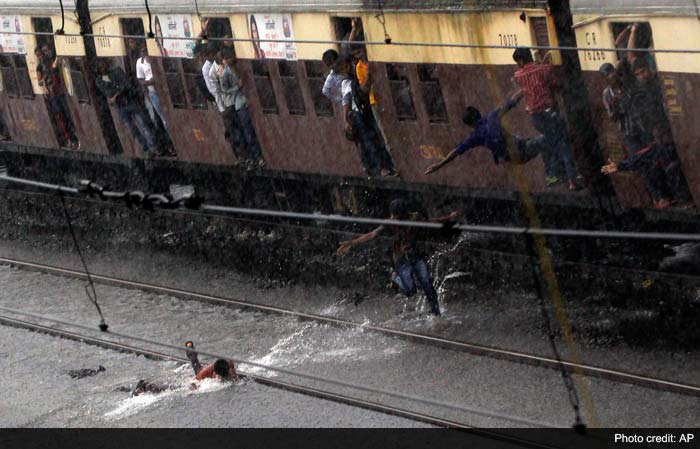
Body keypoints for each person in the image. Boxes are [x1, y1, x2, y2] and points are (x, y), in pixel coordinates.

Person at [336, 199, 460, 316]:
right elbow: (372, 234)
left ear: (404, 214)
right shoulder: (390, 223)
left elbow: (431, 222)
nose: (394, 218)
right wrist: (351, 243)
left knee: (428, 286)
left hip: (415, 255)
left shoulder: (414, 218)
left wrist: (448, 218)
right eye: (393, 216)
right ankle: (396, 278)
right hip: (401, 259)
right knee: (410, 291)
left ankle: (436, 314)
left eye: (397, 216)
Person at [424, 92, 553, 175]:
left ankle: (553, 172)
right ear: (479, 113)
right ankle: (553, 173)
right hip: (520, 149)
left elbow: (456, 151)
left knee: (540, 143)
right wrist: (525, 88)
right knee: (549, 139)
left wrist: (439, 165)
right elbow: (512, 101)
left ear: (470, 124)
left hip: (513, 157)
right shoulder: (492, 116)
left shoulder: (475, 136)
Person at [512, 47, 580, 190]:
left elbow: (526, 79)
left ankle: (554, 175)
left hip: (536, 118)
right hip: (550, 113)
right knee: (563, 143)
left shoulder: (518, 76)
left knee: (550, 142)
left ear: (521, 60)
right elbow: (554, 84)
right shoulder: (545, 69)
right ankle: (572, 179)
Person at [601, 123, 691, 209]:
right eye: (657, 137)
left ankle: (682, 198)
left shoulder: (682, 142)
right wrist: (619, 166)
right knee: (648, 168)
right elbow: (638, 158)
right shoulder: (656, 148)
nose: (659, 139)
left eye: (661, 136)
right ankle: (666, 197)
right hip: (673, 185)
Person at [336, 55, 397, 178]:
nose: (346, 70)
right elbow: (346, 102)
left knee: (376, 139)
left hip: (365, 112)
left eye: (347, 67)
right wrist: (346, 119)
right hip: (358, 115)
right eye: (343, 70)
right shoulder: (347, 83)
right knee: (370, 142)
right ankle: (381, 168)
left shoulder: (355, 75)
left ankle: (386, 166)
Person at [94, 59, 160, 157]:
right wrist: (117, 90)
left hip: (130, 101)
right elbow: (108, 92)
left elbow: (126, 85)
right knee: (133, 130)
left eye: (104, 64)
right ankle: (146, 149)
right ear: (98, 69)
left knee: (144, 125)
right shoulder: (99, 81)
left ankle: (154, 147)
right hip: (121, 107)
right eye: (101, 66)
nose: (103, 67)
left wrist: (115, 94)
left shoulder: (117, 71)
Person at [131, 342, 237, 397]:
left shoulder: (229, 365)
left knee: (195, 362)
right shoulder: (205, 373)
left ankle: (189, 347)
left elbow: (233, 377)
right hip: (198, 379)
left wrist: (233, 374)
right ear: (216, 372)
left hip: (205, 373)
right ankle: (144, 385)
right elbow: (196, 384)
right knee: (170, 389)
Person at [221, 47, 264, 167]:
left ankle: (255, 156)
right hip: (240, 104)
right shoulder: (225, 73)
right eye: (228, 57)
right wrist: (237, 87)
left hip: (248, 102)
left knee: (250, 130)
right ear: (225, 59)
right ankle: (256, 156)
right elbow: (224, 90)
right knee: (248, 131)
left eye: (231, 56)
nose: (231, 58)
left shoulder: (239, 67)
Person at [349, 41, 393, 159]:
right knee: (384, 133)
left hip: (386, 98)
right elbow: (364, 89)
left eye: (359, 52)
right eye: (356, 54)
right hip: (374, 101)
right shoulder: (359, 67)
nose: (359, 56)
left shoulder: (375, 58)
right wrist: (369, 74)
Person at [37, 45, 80, 150]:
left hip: (61, 92)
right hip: (54, 94)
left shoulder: (54, 60)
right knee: (61, 117)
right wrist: (45, 82)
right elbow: (39, 81)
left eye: (48, 50)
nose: (47, 52)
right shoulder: (41, 66)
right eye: (45, 51)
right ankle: (69, 138)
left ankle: (73, 137)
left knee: (67, 115)